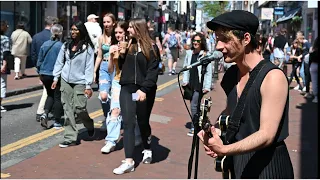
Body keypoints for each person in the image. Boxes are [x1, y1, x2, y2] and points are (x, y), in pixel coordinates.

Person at [198, 10, 294, 178]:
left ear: (246, 39)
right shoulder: (231, 76)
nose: (218, 46)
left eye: (225, 39)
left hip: (268, 166)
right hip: (238, 163)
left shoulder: (272, 77)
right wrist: (214, 132)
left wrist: (225, 149)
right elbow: (232, 113)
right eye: (217, 39)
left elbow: (267, 135)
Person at [113, 18, 159, 175]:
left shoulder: (151, 47)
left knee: (143, 121)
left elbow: (153, 71)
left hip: (144, 90)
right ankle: (129, 161)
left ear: (138, 29)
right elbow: (122, 66)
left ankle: (147, 148)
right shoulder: (128, 45)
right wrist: (121, 53)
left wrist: (144, 90)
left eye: (131, 28)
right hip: (127, 87)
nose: (128, 30)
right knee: (128, 123)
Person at [100, 20, 142, 154]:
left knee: (133, 111)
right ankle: (111, 141)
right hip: (118, 82)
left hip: (134, 84)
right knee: (115, 111)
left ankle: (137, 135)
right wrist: (112, 56)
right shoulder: (113, 46)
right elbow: (111, 70)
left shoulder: (133, 45)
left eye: (120, 32)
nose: (118, 35)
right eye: (116, 32)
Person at [52, 20, 95, 148]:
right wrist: (56, 78)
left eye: (76, 29)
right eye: (72, 29)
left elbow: (89, 67)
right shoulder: (66, 45)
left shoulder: (87, 48)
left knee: (80, 108)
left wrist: (88, 85)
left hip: (80, 81)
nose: (73, 32)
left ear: (81, 31)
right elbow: (60, 62)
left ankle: (89, 124)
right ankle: (70, 137)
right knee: (67, 108)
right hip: (65, 80)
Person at [182, 32, 212, 137]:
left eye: (198, 41)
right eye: (194, 40)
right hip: (190, 82)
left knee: (194, 105)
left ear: (201, 42)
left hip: (199, 84)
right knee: (195, 105)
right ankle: (202, 123)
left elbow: (208, 71)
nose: (195, 42)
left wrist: (207, 86)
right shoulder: (189, 53)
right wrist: (185, 80)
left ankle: (195, 127)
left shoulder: (205, 55)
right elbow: (186, 67)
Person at [31, 16, 59, 122]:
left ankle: (45, 111)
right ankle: (41, 112)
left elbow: (33, 54)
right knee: (49, 91)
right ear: (52, 25)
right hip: (51, 69)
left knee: (48, 90)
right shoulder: (53, 38)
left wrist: (38, 68)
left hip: (41, 68)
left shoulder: (36, 36)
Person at [37, 24, 64, 129]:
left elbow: (39, 61)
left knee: (50, 95)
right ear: (60, 33)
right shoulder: (61, 46)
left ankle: (45, 113)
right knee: (57, 97)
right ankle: (57, 121)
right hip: (55, 74)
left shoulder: (45, 44)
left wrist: (40, 73)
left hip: (44, 74)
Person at [93, 13, 117, 119]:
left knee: (116, 95)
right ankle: (107, 116)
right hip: (104, 66)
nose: (106, 24)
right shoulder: (101, 38)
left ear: (113, 23)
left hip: (116, 67)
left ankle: (115, 116)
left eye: (108, 22)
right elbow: (99, 56)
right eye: (104, 22)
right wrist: (94, 71)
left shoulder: (117, 36)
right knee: (103, 96)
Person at [1, 21, 11, 113]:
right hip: (1, 65)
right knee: (2, 84)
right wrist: (4, 65)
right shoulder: (5, 39)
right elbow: (6, 53)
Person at [309, 37, 318, 103]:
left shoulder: (313, 49)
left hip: (314, 65)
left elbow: (310, 58)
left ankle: (316, 97)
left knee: (314, 82)